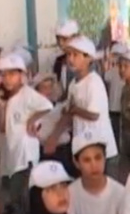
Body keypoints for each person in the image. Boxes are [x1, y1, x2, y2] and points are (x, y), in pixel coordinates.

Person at [0, 54, 53, 214]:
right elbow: (2, 128)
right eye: (4, 75)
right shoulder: (6, 98)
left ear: (21, 76)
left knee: (23, 190)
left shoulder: (28, 94)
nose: (7, 79)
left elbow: (47, 106)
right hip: (11, 152)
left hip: (24, 154)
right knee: (15, 191)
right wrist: (2, 106)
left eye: (12, 74)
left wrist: (32, 120)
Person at [46, 36, 118, 173]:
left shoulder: (93, 82)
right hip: (83, 147)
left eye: (76, 55)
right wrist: (54, 136)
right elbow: (68, 112)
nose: (71, 59)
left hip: (101, 150)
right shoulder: (74, 84)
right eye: (68, 55)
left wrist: (74, 110)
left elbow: (94, 115)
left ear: (88, 58)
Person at [68, 131, 126, 214]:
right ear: (76, 163)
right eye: (87, 160)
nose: (94, 165)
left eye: (98, 158)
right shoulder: (70, 193)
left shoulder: (120, 192)